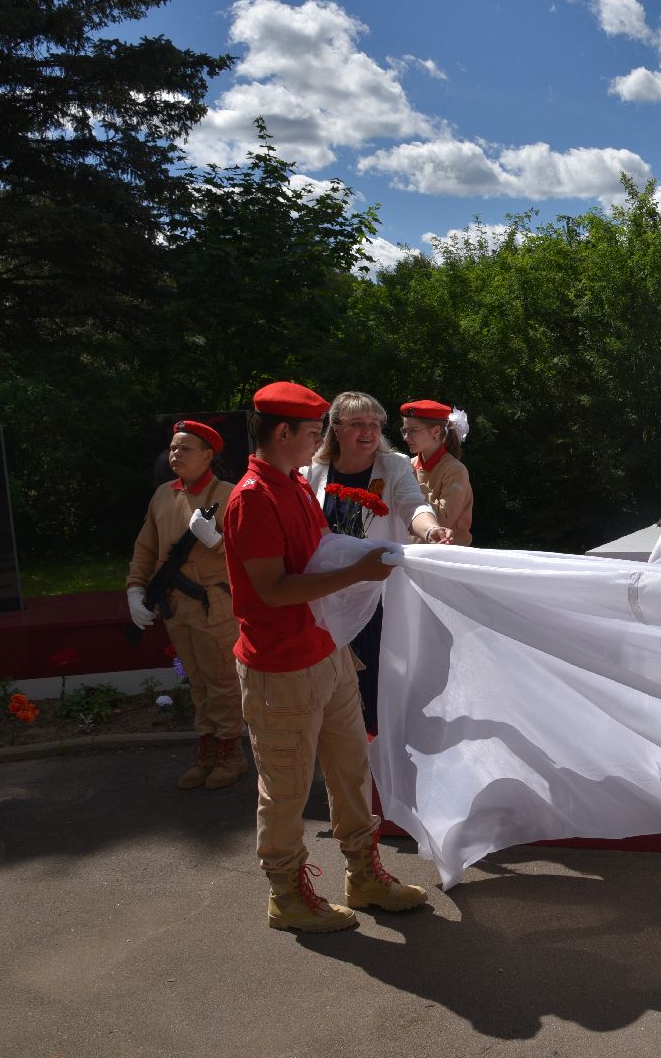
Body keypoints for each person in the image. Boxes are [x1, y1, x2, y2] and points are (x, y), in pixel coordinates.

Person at [224, 381, 428, 933]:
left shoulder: (289, 484)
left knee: (351, 771)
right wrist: (362, 571)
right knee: (287, 788)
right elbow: (273, 589)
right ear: (283, 432)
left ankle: (364, 874)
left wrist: (372, 557)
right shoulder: (252, 498)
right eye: (315, 432)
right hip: (281, 665)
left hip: (325, 650)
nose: (320, 443)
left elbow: (317, 553)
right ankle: (287, 895)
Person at [306, 392, 443, 734]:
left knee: (378, 682)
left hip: (376, 598)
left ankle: (379, 761)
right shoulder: (311, 471)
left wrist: (431, 530)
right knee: (334, 688)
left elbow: (413, 505)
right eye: (356, 424)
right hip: (326, 597)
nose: (367, 431)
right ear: (335, 429)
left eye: (374, 424)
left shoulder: (393, 465)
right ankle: (347, 762)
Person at [126, 419, 246, 790]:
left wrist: (217, 542)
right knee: (195, 681)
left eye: (184, 449)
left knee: (222, 680)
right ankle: (207, 750)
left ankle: (231, 753)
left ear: (208, 455)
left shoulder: (229, 494)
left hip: (214, 605)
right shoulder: (163, 495)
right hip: (175, 606)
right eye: (173, 448)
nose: (175, 454)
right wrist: (134, 588)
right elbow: (146, 546)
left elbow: (250, 551)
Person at [399, 399, 473, 546]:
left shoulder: (455, 470)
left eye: (412, 430)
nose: (406, 437)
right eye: (405, 430)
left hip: (445, 558)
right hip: (413, 553)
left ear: (436, 431)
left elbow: (442, 521)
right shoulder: (409, 464)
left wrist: (412, 483)